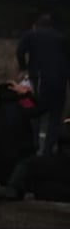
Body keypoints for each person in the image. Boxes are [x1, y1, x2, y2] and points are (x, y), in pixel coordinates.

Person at [16, 13, 69, 156]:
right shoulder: (61, 38)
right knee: (55, 116)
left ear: (36, 25)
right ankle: (48, 150)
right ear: (51, 26)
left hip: (40, 79)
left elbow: (20, 51)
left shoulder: (31, 35)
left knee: (35, 113)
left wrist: (23, 68)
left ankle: (33, 146)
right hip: (60, 80)